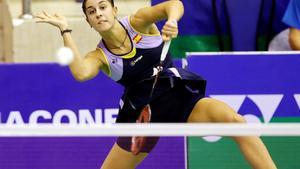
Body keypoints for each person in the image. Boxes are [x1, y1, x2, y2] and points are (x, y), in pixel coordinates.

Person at [35, 0, 277, 168]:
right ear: (88, 21)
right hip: (143, 115)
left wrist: (172, 20)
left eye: (102, 7)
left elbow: (175, 4)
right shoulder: (100, 56)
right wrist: (65, 29)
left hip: (179, 97)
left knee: (236, 122)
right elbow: (80, 72)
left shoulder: (139, 21)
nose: (98, 13)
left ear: (114, 9)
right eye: (91, 11)